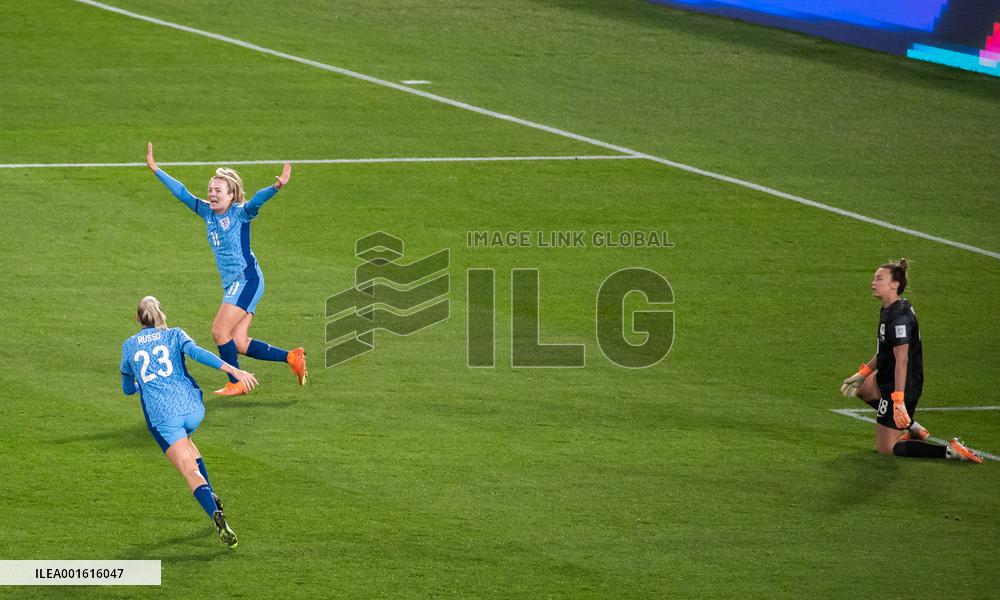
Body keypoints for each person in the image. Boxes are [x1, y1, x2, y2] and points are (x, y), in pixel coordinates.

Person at [146, 142, 307, 395]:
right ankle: (292, 357)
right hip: (236, 282)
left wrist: (276, 187)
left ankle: (237, 381)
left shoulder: (241, 213)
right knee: (239, 342)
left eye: (218, 190)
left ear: (231, 195)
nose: (211, 193)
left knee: (219, 331)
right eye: (210, 189)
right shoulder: (207, 212)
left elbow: (256, 201)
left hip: (246, 280)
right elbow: (182, 192)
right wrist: (156, 170)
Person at [121, 296, 259, 548]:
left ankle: (215, 515)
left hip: (164, 416)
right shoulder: (175, 334)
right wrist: (234, 370)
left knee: (188, 469)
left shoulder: (129, 346)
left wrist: (143, 384)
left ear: (137, 319)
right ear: (162, 314)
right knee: (189, 445)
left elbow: (127, 389)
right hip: (192, 407)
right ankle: (212, 495)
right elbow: (197, 353)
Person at [840, 259, 982, 463]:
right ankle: (914, 428)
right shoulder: (890, 308)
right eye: (873, 278)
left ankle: (951, 452)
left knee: (887, 449)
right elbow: (885, 350)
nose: (873, 282)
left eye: (879, 278)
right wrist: (863, 373)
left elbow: (902, 360)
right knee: (863, 390)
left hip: (903, 382)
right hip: (887, 376)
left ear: (895, 284)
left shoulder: (900, 318)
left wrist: (898, 400)